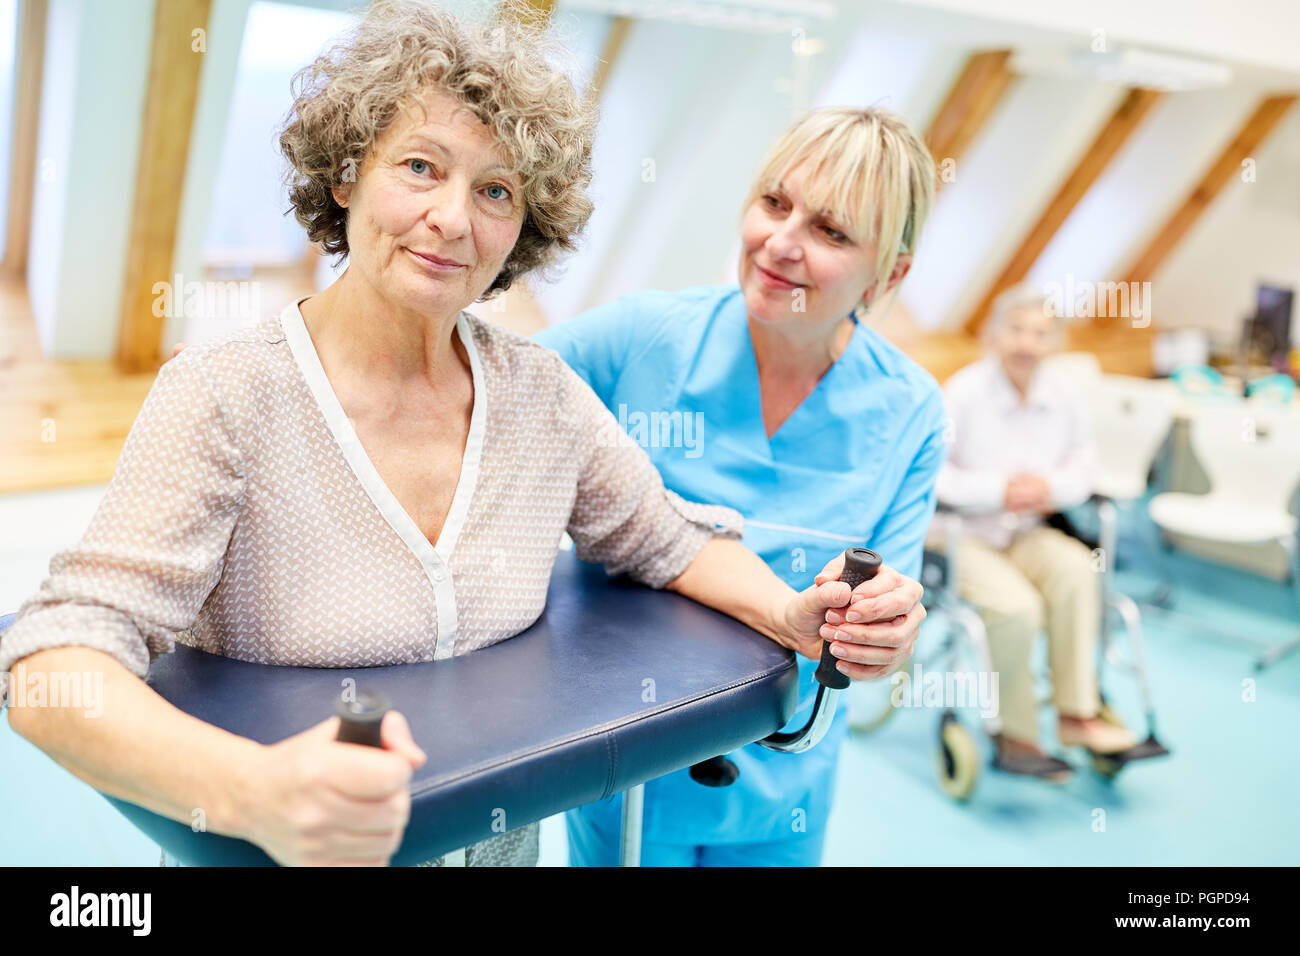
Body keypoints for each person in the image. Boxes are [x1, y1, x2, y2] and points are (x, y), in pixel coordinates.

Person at [0, 0, 911, 867]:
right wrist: (253, 791)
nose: (451, 219)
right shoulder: (225, 393)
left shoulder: (542, 397)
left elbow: (663, 538)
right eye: (421, 167)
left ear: (521, 230)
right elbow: (53, 667)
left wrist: (792, 616)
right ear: (347, 174)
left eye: (497, 190)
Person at [535, 105, 945, 866]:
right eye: (774, 202)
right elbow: (481, 388)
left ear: (890, 273)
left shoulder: (910, 410)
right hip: (631, 766)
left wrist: (883, 630)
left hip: (789, 773)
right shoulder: (637, 339)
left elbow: (894, 599)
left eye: (831, 231)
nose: (780, 243)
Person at [936, 283, 1137, 783]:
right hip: (963, 534)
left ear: (1054, 343)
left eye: (1040, 334)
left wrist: (1051, 486)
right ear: (995, 334)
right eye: (1017, 330)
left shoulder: (1062, 394)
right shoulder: (963, 392)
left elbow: (1084, 463)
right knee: (1016, 607)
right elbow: (932, 475)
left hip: (1027, 530)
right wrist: (999, 490)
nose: (1027, 344)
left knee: (1075, 571)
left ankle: (1076, 712)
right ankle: (1015, 733)